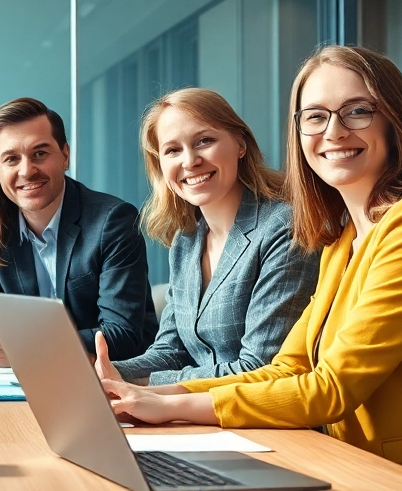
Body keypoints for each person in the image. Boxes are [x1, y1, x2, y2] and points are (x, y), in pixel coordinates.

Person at [102, 46, 402, 488]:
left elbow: (331, 388)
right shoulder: (342, 240)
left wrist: (171, 405)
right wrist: (147, 395)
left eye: (357, 111)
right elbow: (286, 369)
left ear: (396, 120)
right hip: (344, 471)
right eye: (315, 116)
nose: (334, 131)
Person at [0, 97, 157, 366]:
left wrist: (26, 346)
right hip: (22, 379)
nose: (26, 171)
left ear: (65, 155)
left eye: (40, 153)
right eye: (11, 159)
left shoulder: (113, 221)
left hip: (113, 376)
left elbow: (123, 335)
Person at [94, 88, 319, 385]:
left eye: (204, 141)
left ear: (240, 144)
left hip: (258, 410)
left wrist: (145, 386)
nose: (190, 161)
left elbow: (258, 368)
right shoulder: (186, 241)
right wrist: (102, 373)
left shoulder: (283, 228)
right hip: (194, 409)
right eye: (172, 150)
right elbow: (170, 351)